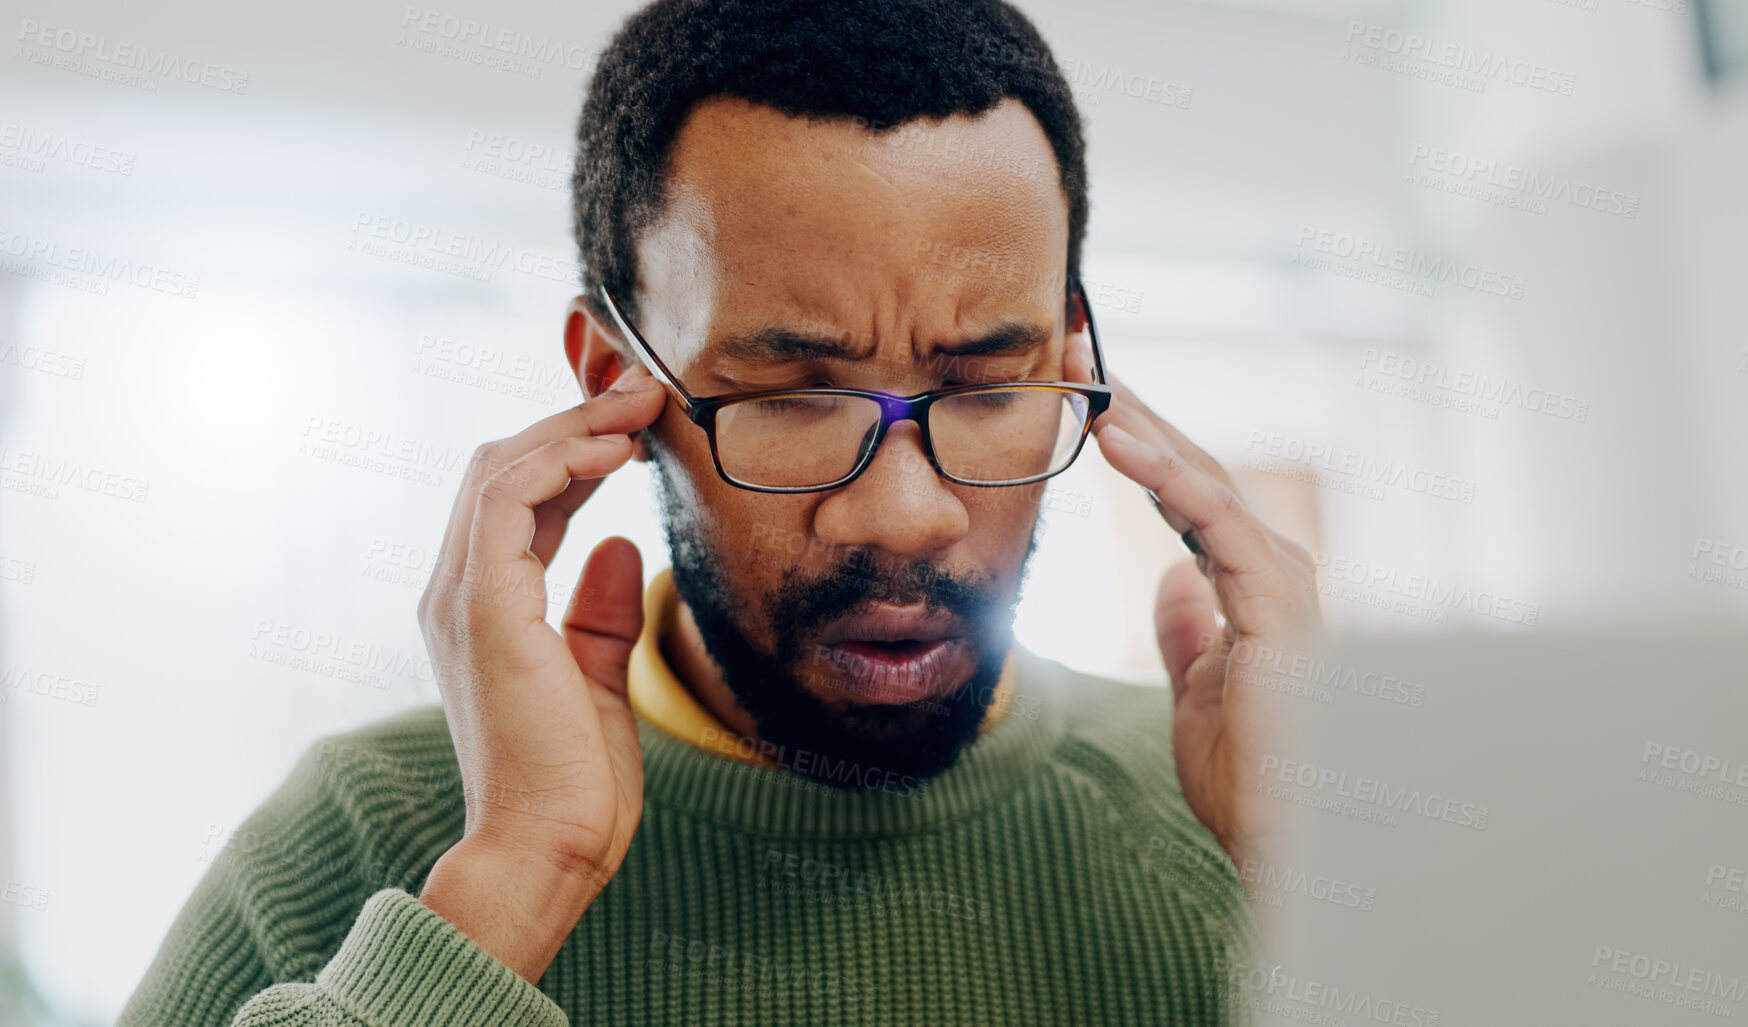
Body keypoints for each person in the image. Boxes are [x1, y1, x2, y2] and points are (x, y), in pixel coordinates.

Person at [118, 0, 1316, 1023]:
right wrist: (516, 882)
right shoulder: (365, 843)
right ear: (612, 386)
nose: (904, 516)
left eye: (990, 385)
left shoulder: (1245, 822)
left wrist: (1323, 883)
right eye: (791, 395)